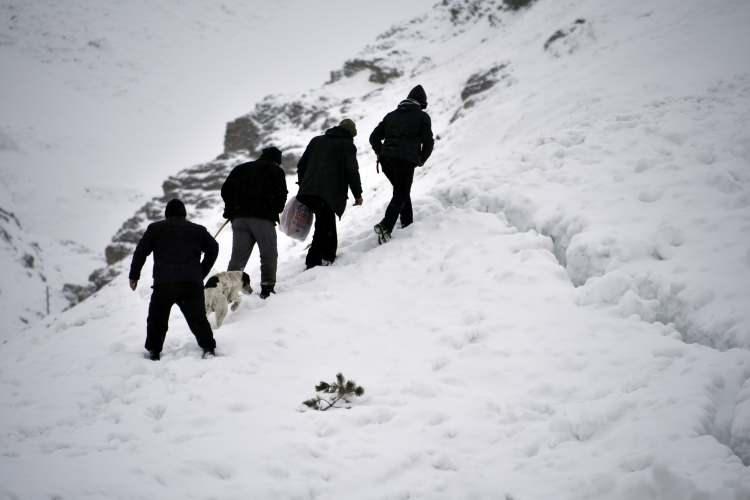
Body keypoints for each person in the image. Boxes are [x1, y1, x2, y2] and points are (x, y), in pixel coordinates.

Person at [128, 198, 219, 361]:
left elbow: (141, 252)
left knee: (157, 319)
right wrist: (201, 271)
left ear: (166, 214)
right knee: (198, 319)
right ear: (184, 214)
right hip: (191, 284)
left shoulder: (155, 229)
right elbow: (214, 248)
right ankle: (208, 348)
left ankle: (154, 352)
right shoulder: (197, 230)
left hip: (164, 284)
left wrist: (134, 275)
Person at [369, 84, 434, 244]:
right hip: (405, 160)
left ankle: (407, 224)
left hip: (386, 161)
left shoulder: (391, 115)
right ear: (421, 103)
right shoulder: (422, 117)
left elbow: (373, 137)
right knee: (401, 192)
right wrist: (421, 159)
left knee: (402, 191)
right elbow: (429, 142)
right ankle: (386, 225)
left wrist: (381, 152)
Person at [221, 146, 288, 298]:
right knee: (268, 253)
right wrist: (275, 208)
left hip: (239, 219)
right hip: (262, 218)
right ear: (276, 160)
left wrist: (231, 209)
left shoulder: (240, 169)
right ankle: (267, 288)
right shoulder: (275, 170)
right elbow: (281, 194)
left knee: (237, 258)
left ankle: (228, 292)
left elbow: (226, 190)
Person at [297, 118, 363, 269]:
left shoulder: (316, 141)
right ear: (350, 134)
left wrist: (304, 185)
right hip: (328, 193)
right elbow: (352, 172)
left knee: (325, 222)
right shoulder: (347, 145)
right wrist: (357, 194)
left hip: (309, 191)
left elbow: (301, 165)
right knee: (324, 225)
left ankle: (324, 256)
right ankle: (318, 259)